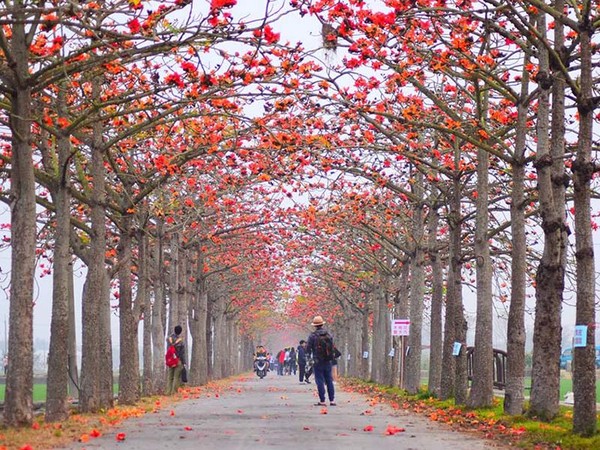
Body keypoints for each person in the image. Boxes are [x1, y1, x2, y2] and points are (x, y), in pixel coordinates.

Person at [307, 315, 335, 406]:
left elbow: (308, 349)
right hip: (328, 360)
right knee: (329, 380)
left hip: (317, 361)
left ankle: (322, 400)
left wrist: (309, 358)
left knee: (319, 380)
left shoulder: (312, 336)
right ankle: (332, 400)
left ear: (314, 325)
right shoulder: (328, 335)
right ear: (322, 324)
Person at [165, 325, 186, 395]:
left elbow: (168, 339)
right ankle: (174, 392)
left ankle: (168, 392)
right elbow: (182, 353)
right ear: (180, 332)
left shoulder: (169, 339)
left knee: (170, 377)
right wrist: (184, 362)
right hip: (178, 360)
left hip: (170, 360)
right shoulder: (181, 341)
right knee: (176, 377)